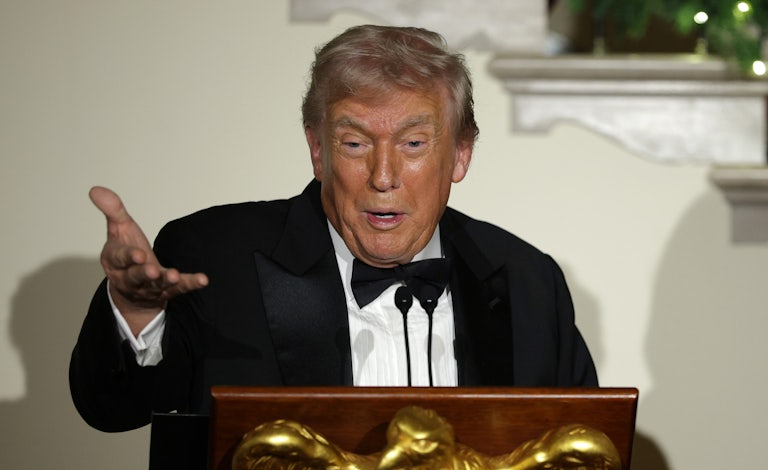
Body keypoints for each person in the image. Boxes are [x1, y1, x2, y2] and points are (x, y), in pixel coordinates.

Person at [70, 25, 597, 433]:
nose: (383, 176)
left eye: (413, 144)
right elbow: (111, 409)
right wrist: (137, 313)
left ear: (461, 154)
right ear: (318, 150)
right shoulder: (212, 256)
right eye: (354, 143)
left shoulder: (529, 283)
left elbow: (579, 466)